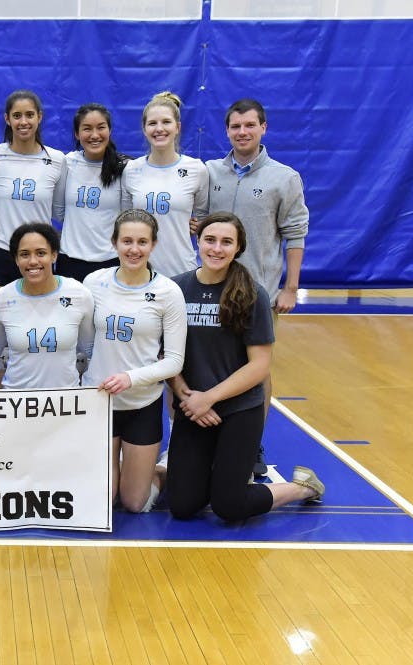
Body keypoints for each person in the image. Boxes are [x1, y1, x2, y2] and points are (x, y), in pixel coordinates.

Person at [166, 213, 323, 522]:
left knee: (230, 505)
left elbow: (260, 366)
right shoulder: (176, 289)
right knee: (183, 505)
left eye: (227, 242)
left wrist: (208, 398)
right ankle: (214, 473)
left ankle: (302, 487)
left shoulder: (252, 294)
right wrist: (186, 396)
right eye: (210, 240)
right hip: (192, 408)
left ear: (238, 248)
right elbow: (166, 355)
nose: (216, 248)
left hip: (238, 410)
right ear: (198, 241)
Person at [205, 98, 309, 476]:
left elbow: (295, 233)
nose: (242, 132)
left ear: (263, 128)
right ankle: (199, 439)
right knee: (206, 368)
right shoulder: (210, 173)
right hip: (210, 290)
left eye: (250, 125)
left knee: (256, 371)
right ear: (227, 130)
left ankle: (251, 443)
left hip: (257, 293)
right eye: (235, 126)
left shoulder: (284, 177)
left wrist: (291, 288)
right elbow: (197, 219)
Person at [82, 210, 187, 512]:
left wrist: (131, 377)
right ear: (114, 243)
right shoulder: (94, 282)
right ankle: (118, 468)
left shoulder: (168, 292)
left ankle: (163, 470)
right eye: (127, 240)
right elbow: (86, 342)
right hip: (99, 401)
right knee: (103, 500)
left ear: (153, 245)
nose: (134, 249)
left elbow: (174, 362)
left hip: (142, 403)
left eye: (142, 241)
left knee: (133, 503)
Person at [0, 223, 94, 389]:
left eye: (41, 253)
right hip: (16, 402)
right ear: (16, 259)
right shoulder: (1, 299)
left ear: (54, 255)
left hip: (66, 403)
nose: (33, 261)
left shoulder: (79, 294)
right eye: (24, 254)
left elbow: (90, 350)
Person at [0, 90, 65, 285]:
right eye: (17, 116)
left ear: (40, 117)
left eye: (29, 115)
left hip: (37, 255)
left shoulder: (57, 160)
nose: (23, 122)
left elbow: (58, 210)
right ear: (7, 119)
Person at [122, 91, 209, 277]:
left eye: (166, 122)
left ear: (177, 127)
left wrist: (198, 225)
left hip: (182, 270)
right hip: (140, 272)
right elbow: (125, 220)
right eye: (152, 123)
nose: (159, 128)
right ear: (144, 129)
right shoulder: (131, 169)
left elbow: (204, 217)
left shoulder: (196, 169)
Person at [53, 103, 131, 282]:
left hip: (111, 262)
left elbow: (128, 216)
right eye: (87, 129)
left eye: (101, 127)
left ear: (109, 130)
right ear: (77, 133)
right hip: (70, 261)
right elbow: (58, 211)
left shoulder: (124, 167)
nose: (95, 135)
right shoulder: (67, 163)